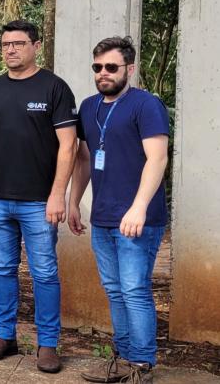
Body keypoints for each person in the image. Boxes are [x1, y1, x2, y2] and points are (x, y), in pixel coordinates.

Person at [0, 19, 77, 373]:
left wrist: (58, 194)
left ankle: (47, 345)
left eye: (18, 43)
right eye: (5, 44)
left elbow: (69, 145)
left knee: (44, 272)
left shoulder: (55, 89)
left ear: (36, 46)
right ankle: (4, 336)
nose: (10, 49)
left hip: (39, 202)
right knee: (1, 269)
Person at [69, 37, 169, 384]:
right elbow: (83, 158)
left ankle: (141, 364)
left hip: (138, 219)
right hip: (104, 216)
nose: (103, 73)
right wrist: (73, 201)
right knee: (114, 289)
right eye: (97, 67)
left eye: (111, 67)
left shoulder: (146, 105)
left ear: (129, 68)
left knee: (134, 289)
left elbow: (158, 158)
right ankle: (124, 359)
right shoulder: (88, 106)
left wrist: (139, 207)